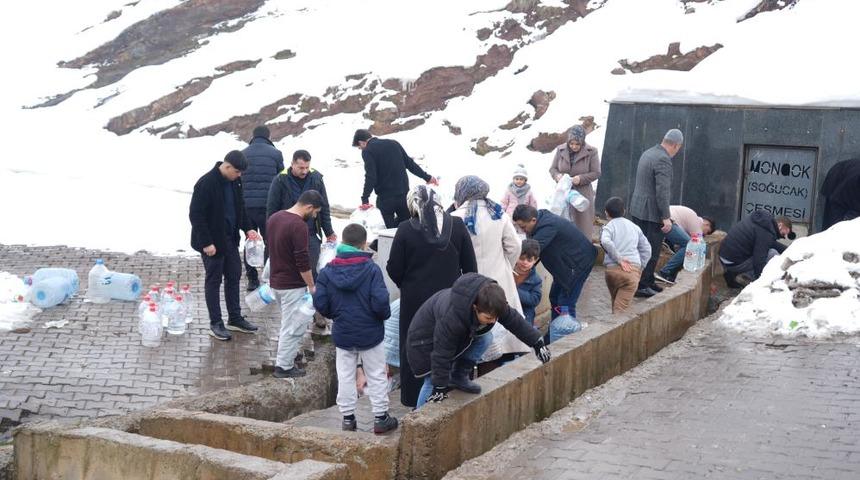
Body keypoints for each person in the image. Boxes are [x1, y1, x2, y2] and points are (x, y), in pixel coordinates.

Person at [386, 185, 477, 408]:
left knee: (415, 345)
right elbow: (470, 268)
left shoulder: (406, 229)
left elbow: (394, 267)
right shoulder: (457, 225)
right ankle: (449, 395)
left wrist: (408, 285)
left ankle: (414, 398)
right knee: (450, 343)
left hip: (415, 301)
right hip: (450, 300)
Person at [407, 273, 551, 407]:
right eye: (488, 318)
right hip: (423, 343)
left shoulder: (492, 302)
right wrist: (440, 386)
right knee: (432, 381)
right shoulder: (452, 316)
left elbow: (514, 321)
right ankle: (419, 419)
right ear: (475, 307)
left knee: (486, 337)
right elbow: (442, 353)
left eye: (496, 318)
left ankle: (458, 375)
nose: (493, 321)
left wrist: (537, 342)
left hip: (447, 338)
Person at [313, 224, 398, 434]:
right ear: (363, 244)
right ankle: (380, 418)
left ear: (343, 242)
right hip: (370, 333)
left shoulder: (327, 271)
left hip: (343, 332)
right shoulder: (371, 269)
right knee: (376, 374)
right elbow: (380, 302)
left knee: (345, 375)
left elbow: (320, 302)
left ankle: (348, 419)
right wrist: (380, 317)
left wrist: (336, 314)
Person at [451, 175, 529, 359]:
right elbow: (515, 246)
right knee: (503, 322)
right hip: (498, 280)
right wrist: (506, 266)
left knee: (475, 329)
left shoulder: (455, 217)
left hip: (468, 283)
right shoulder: (498, 214)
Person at [189, 150, 262, 341]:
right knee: (214, 281)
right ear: (227, 166)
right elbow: (196, 215)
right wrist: (206, 243)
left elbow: (240, 208)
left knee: (234, 276)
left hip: (230, 239)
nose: (239, 175)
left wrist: (248, 228)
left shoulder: (235, 182)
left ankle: (235, 318)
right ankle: (216, 323)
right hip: (212, 243)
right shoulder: (206, 183)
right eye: (237, 172)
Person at [512, 205, 597, 339]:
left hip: (578, 264)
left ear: (533, 220)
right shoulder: (539, 223)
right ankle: (555, 332)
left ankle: (567, 338)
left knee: (565, 303)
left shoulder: (547, 226)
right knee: (554, 297)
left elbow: (532, 253)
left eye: (523, 227)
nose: (522, 230)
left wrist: (514, 267)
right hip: (564, 265)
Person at [266, 190, 323, 378]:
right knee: (293, 328)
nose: (314, 217)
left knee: (288, 321)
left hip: (276, 282)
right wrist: (311, 286)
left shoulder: (274, 218)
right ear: (309, 207)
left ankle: (290, 354)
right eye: (315, 212)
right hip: (292, 285)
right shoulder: (299, 226)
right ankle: (284, 367)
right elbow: (302, 261)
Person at [629, 129, 684, 298]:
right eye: (678, 148)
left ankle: (648, 280)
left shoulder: (648, 153)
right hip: (651, 213)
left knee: (640, 248)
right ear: (676, 145)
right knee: (651, 250)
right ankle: (642, 286)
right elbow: (662, 192)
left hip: (638, 208)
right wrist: (666, 217)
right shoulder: (663, 159)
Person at [266, 149, 337, 276]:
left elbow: (324, 207)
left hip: (310, 233)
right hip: (287, 234)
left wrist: (329, 231)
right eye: (301, 168)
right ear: (292, 164)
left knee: (312, 270)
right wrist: (272, 234)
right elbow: (272, 209)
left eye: (307, 167)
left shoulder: (316, 178)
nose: (304, 171)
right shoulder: (280, 180)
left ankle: (311, 288)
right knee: (290, 271)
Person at [353, 129, 439, 228]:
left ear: (361, 142)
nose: (361, 149)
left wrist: (365, 199)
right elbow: (410, 164)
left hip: (386, 199)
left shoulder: (367, 151)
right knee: (407, 227)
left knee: (390, 231)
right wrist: (427, 177)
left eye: (359, 147)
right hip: (404, 196)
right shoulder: (393, 143)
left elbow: (371, 176)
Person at [241, 125, 285, 291]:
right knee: (270, 242)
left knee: (250, 241)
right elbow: (281, 179)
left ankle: (252, 279)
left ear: (253, 136)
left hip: (247, 206)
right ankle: (269, 277)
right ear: (268, 137)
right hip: (268, 207)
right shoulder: (276, 154)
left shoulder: (243, 154)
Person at [600, 197, 652, 313]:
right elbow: (647, 249)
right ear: (624, 211)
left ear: (606, 213)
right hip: (631, 272)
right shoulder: (635, 227)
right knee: (620, 311)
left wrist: (618, 259)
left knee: (615, 305)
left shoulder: (608, 227)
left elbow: (605, 241)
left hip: (611, 273)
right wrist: (640, 268)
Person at [549, 125, 601, 241]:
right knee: (563, 227)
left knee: (582, 229)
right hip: (563, 193)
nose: (574, 146)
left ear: (582, 142)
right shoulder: (560, 150)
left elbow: (596, 172)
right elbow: (553, 169)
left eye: (577, 144)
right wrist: (557, 176)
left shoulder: (592, 152)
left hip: (582, 194)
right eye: (571, 143)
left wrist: (581, 178)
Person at [719, 211, 793, 289]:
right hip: (733, 263)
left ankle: (732, 274)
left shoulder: (761, 222)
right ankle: (745, 276)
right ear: (780, 225)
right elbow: (759, 261)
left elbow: (772, 243)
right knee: (772, 254)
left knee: (764, 250)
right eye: (783, 233)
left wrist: (790, 250)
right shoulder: (766, 233)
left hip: (725, 256)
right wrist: (761, 282)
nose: (783, 236)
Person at [655, 205, 715, 284]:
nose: (704, 234)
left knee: (685, 247)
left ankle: (670, 274)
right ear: (707, 224)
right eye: (707, 232)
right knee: (689, 246)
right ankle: (666, 272)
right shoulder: (697, 222)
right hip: (668, 220)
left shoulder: (690, 222)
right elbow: (699, 246)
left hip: (660, 216)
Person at [820, 159, 860, 230]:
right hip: (836, 180)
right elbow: (835, 201)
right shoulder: (851, 182)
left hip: (849, 181)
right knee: (833, 226)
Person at [514, 239, 542, 326]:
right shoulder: (508, 271)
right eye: (522, 258)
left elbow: (534, 299)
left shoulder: (536, 280)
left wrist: (514, 291)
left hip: (525, 314)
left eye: (529, 260)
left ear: (535, 260)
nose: (525, 262)